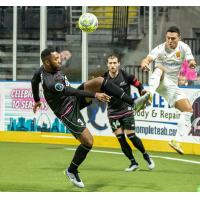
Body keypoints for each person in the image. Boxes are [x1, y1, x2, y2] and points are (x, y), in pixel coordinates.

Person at [31, 48, 151, 188]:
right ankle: (72, 170)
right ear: (47, 62)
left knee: (100, 81)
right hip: (67, 111)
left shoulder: (43, 69)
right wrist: (95, 95)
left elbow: (34, 81)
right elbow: (70, 90)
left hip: (72, 99)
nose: (60, 60)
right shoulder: (49, 81)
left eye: (59, 57)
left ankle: (132, 103)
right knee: (88, 142)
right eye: (56, 59)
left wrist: (36, 100)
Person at [141, 26, 197, 155]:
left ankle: (176, 140)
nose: (170, 41)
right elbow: (147, 59)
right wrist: (144, 63)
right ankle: (149, 93)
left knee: (188, 110)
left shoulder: (184, 47)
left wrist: (192, 64)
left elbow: (191, 60)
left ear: (179, 38)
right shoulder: (160, 49)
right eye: (168, 38)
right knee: (159, 68)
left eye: (173, 38)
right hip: (159, 81)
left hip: (172, 86)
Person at [102, 53, 154, 172]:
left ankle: (146, 156)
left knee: (131, 136)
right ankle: (133, 162)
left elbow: (139, 85)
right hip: (112, 113)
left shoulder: (126, 76)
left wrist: (142, 91)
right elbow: (98, 90)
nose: (112, 65)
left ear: (119, 64)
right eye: (110, 63)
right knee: (120, 138)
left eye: (115, 63)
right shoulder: (104, 78)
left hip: (126, 110)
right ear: (107, 65)